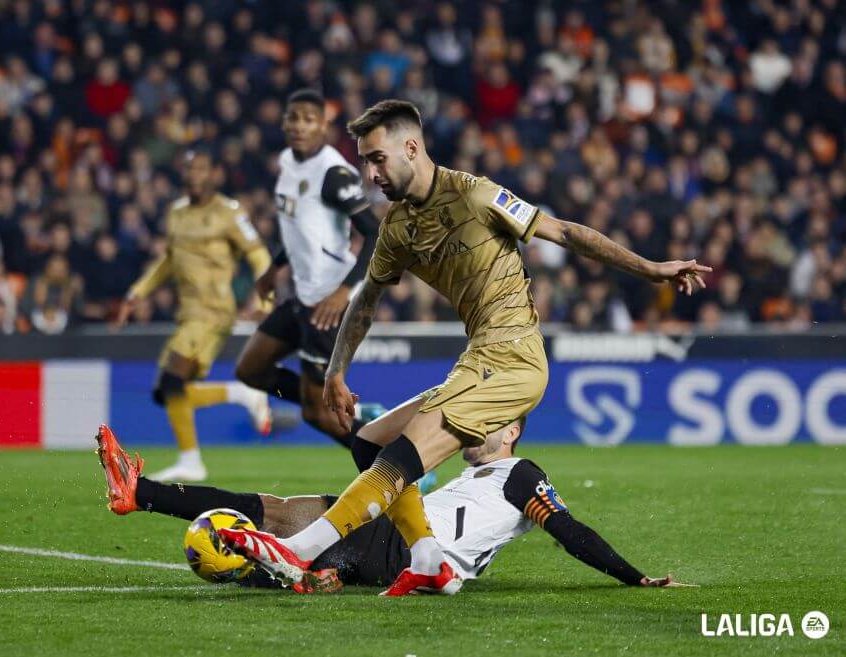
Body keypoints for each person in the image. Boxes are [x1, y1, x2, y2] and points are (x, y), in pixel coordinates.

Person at [216, 99, 711, 595]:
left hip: (514, 355)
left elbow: (563, 232)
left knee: (400, 457)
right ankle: (428, 556)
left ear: (411, 147)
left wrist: (651, 269)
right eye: (364, 161)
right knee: (371, 443)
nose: (370, 173)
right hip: (480, 356)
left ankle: (298, 550)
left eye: (377, 158)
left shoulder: (476, 196)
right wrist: (336, 371)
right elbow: (365, 301)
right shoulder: (397, 228)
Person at [95, 423, 687, 593]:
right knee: (277, 513)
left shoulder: (520, 474)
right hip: (395, 540)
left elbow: (568, 529)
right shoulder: (473, 473)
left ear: (513, 432)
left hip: (401, 548)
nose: (476, 430)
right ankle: (313, 574)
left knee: (274, 518)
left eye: (491, 424)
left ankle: (141, 495)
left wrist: (632, 577)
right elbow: (371, 449)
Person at [232, 90, 426, 478]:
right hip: (301, 295)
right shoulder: (288, 163)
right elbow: (298, 230)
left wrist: (343, 292)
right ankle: (340, 407)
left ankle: (394, 463)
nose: (299, 125)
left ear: (324, 125)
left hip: (328, 302)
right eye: (293, 117)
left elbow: (375, 235)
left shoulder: (333, 175)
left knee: (318, 415)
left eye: (308, 118)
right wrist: (274, 269)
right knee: (251, 369)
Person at [117, 148, 273, 482]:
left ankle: (192, 459)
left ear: (214, 173)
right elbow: (169, 262)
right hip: (188, 313)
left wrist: (265, 298)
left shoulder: (229, 213)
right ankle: (236, 402)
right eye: (189, 169)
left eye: (201, 168)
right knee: (168, 390)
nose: (194, 175)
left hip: (214, 312)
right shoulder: (176, 213)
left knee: (172, 380)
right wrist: (138, 292)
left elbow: (259, 256)